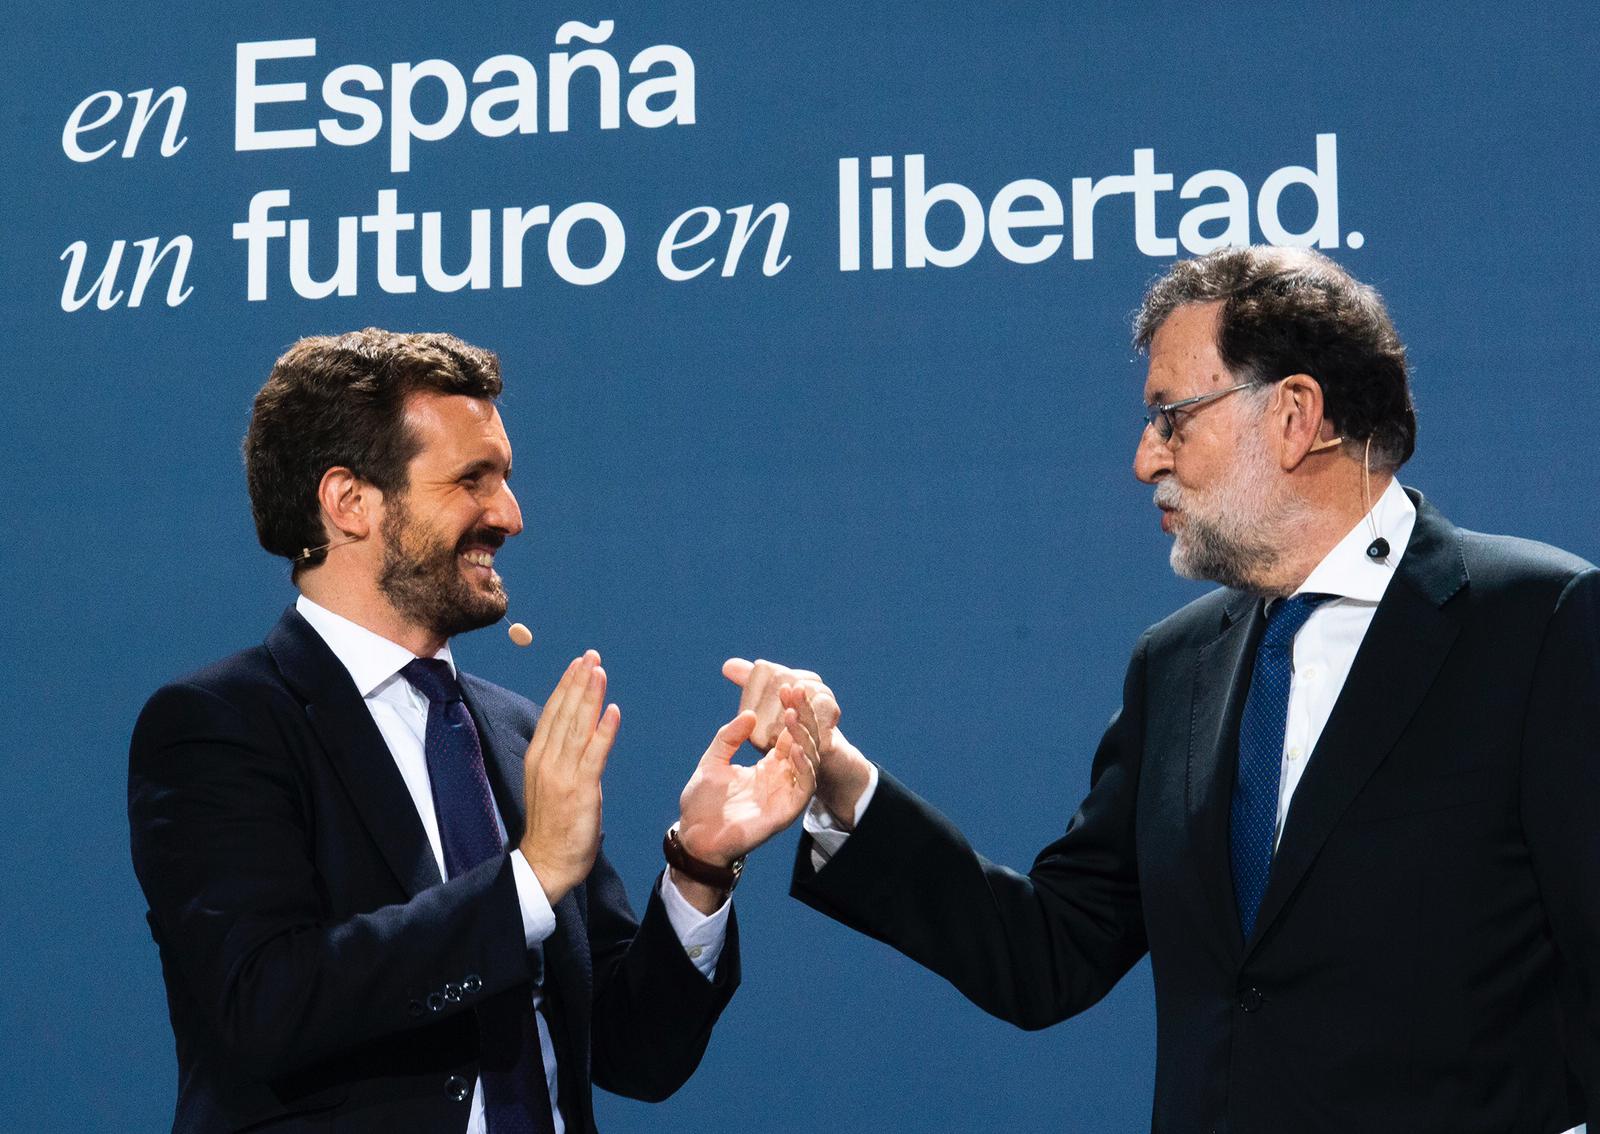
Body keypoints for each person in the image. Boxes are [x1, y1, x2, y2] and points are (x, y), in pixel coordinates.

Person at [727, 247, 1600, 1133]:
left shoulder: (1538, 624)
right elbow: (1048, 952)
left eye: (1172, 417)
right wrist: (840, 781)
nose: (1147, 460)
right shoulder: (1176, 665)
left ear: (1296, 416)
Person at [128, 329, 815, 1134]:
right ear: (349, 502)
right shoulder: (222, 725)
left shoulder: (512, 731)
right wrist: (529, 880)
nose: (511, 516)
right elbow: (266, 1004)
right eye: (471, 481)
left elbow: (636, 1053)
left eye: (507, 480)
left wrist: (699, 867)